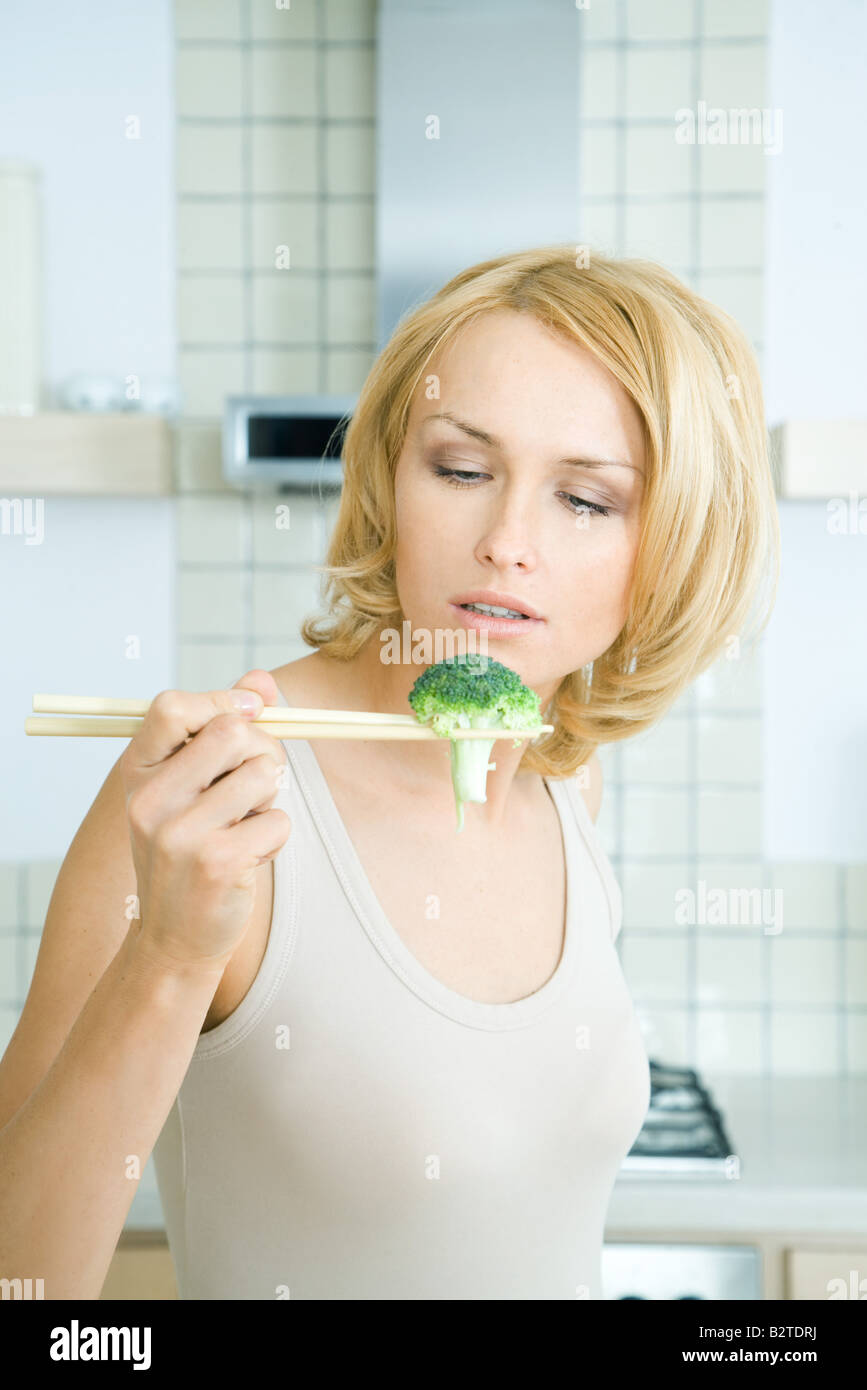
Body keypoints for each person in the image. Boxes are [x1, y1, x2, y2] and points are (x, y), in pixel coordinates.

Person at [0, 245, 779, 1299]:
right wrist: (168, 956)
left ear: (674, 548)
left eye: (585, 499)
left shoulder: (569, 787)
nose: (506, 540)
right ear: (389, 478)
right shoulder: (215, 804)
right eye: (461, 469)